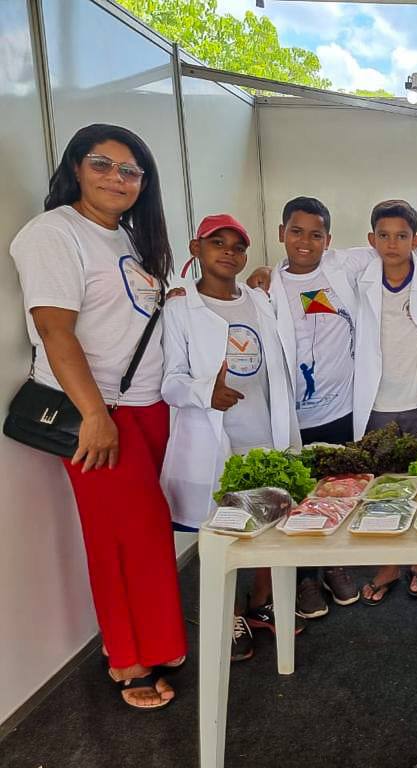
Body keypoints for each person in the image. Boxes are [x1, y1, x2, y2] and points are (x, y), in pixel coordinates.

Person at [9, 123, 186, 710]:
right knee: (121, 538)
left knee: (140, 534)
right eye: (102, 164)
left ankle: (155, 643)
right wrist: (93, 413)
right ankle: (129, 660)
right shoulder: (55, 233)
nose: (117, 178)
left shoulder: (127, 237)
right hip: (100, 411)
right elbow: (54, 329)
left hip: (142, 407)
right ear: (75, 169)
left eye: (130, 170)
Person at [161, 214, 303, 661]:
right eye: (217, 243)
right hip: (214, 438)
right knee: (220, 534)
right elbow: (169, 382)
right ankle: (230, 613)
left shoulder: (258, 300)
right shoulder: (181, 308)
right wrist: (207, 392)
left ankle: (264, 601)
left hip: (264, 433)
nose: (229, 252)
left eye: (238, 246)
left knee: (271, 523)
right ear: (195, 248)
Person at [269, 197, 362, 620]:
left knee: (340, 490)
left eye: (316, 234)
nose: (305, 241)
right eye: (296, 231)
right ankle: (306, 577)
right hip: (292, 418)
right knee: (300, 498)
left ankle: (336, 566)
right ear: (281, 234)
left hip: (341, 411)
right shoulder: (263, 288)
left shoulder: (344, 270)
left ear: (329, 239)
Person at [352, 200, 417, 610]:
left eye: (402, 236)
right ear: (372, 239)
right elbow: (307, 263)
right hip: (375, 401)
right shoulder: (358, 273)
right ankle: (391, 564)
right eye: (384, 235)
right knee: (383, 486)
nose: (392, 243)